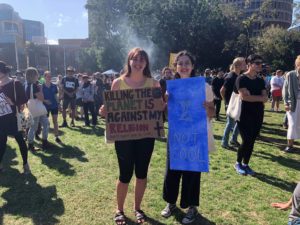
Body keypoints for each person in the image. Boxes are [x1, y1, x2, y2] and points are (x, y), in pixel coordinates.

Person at [100, 47, 160, 225]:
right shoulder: (118, 83)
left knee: (142, 173)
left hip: (146, 136)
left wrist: (164, 104)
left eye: (142, 59)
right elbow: (110, 111)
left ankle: (137, 207)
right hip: (124, 137)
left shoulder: (154, 84)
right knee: (125, 174)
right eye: (135, 59)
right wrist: (104, 111)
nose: (138, 62)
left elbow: (158, 110)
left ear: (146, 63)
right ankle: (119, 209)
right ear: (129, 61)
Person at [161, 51, 215, 224]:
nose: (183, 66)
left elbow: (212, 113)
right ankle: (171, 203)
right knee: (172, 170)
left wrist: (208, 107)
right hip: (177, 134)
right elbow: (168, 114)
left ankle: (191, 207)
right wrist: (165, 101)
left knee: (192, 170)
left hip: (195, 134)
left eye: (187, 63)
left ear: (192, 66)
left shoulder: (204, 87)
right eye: (180, 63)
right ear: (175, 66)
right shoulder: (172, 86)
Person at [234, 54, 268, 175]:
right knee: (246, 140)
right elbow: (244, 97)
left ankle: (246, 164)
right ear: (249, 64)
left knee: (252, 140)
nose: (260, 65)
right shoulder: (241, 79)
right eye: (257, 63)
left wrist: (253, 97)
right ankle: (238, 163)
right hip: (244, 114)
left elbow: (265, 98)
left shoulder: (260, 80)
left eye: (261, 63)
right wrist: (259, 97)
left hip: (258, 114)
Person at [0, 61, 30, 174]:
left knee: (20, 141)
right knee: (1, 142)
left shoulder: (15, 83)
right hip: (2, 119)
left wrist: (12, 102)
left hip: (14, 118)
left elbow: (24, 101)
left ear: (3, 71)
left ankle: (26, 164)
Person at [220, 57, 247, 149]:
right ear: (237, 65)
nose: (246, 65)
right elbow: (222, 91)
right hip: (231, 104)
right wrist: (226, 103)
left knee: (240, 122)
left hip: (238, 103)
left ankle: (233, 139)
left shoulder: (239, 76)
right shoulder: (230, 77)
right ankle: (224, 142)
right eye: (244, 63)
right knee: (230, 124)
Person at [25, 67, 50, 151]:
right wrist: (41, 89)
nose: (38, 75)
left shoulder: (27, 84)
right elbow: (41, 97)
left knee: (37, 126)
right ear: (33, 75)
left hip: (32, 107)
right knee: (36, 126)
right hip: (37, 107)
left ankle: (34, 143)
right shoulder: (35, 85)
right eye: (36, 74)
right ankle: (35, 144)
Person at [282, 55, 300, 153]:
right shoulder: (290, 75)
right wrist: (285, 103)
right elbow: (285, 91)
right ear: (297, 65)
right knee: (292, 124)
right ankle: (290, 145)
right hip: (292, 103)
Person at [42, 71, 62, 143]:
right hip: (45, 107)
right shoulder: (41, 86)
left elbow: (55, 96)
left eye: (50, 76)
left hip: (54, 106)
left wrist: (59, 104)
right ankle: (45, 138)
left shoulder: (54, 86)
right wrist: (45, 101)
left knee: (55, 121)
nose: (49, 78)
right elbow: (40, 97)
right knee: (46, 123)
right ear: (44, 77)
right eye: (48, 76)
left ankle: (56, 136)